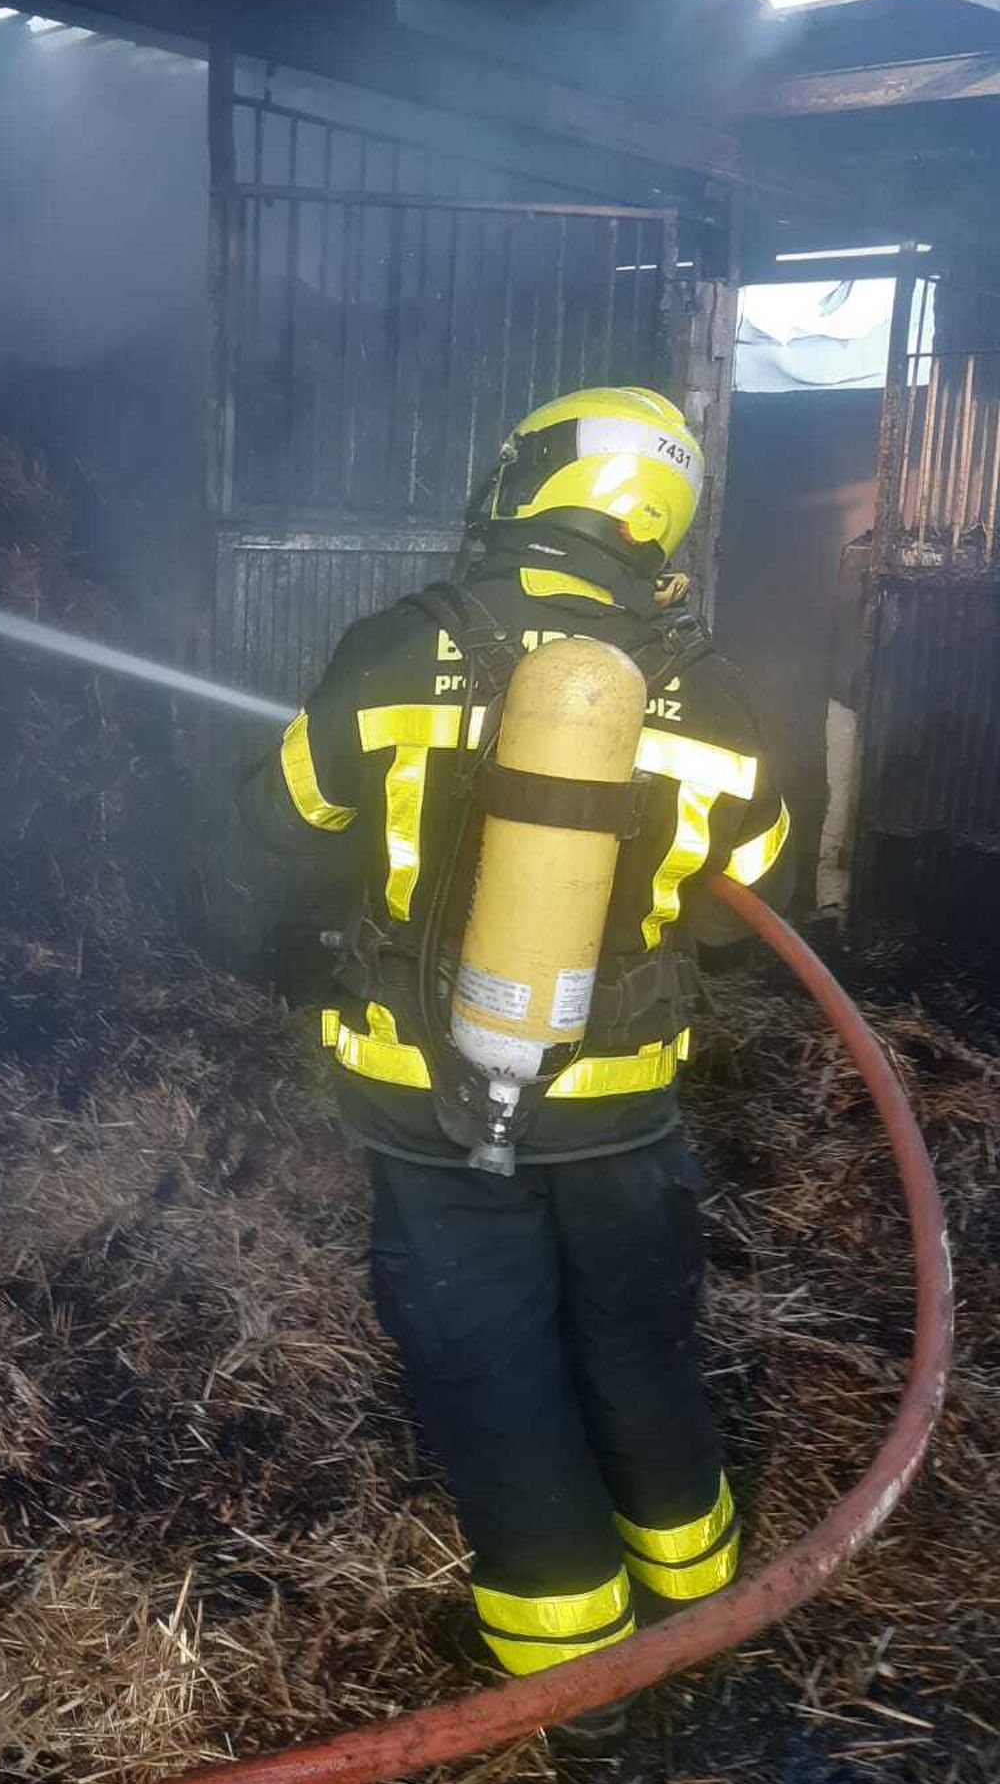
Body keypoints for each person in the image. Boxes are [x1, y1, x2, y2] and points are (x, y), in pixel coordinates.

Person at [240, 387, 791, 1715]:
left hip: (430, 1106)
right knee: (642, 1348)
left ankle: (570, 1698)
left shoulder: (400, 648)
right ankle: (703, 1612)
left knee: (496, 1370)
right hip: (621, 1112)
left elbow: (280, 825)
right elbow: (755, 881)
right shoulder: (704, 689)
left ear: (526, 484)